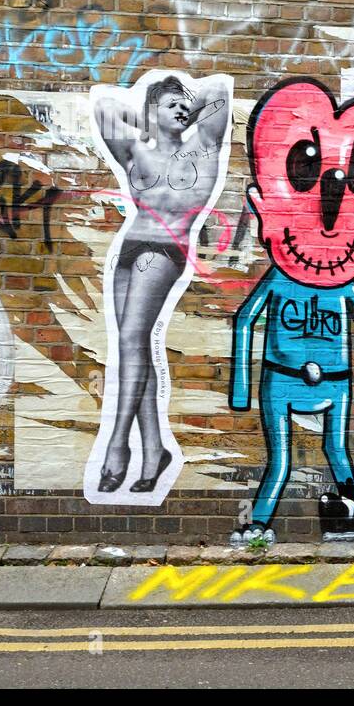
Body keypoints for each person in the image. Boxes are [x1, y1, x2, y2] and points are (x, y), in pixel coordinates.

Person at [92, 74, 229, 494]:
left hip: (166, 249)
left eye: (185, 105)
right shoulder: (136, 150)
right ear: (153, 113)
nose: (182, 109)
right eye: (171, 104)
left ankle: (118, 447)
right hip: (131, 248)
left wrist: (182, 105)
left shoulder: (203, 144)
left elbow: (219, 93)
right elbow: (103, 110)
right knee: (133, 348)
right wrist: (151, 111)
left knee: (133, 339)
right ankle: (154, 451)